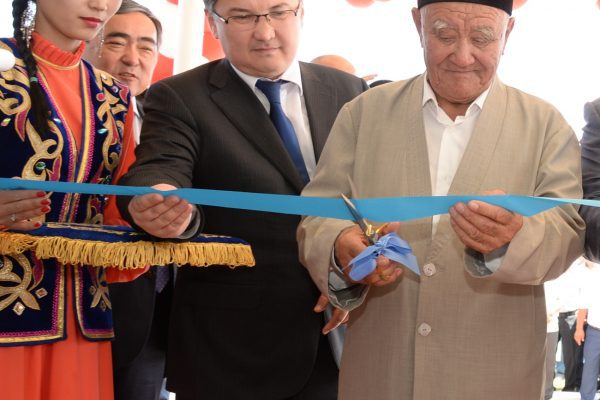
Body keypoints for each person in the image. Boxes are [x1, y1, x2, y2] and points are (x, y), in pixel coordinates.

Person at [297, 0, 585, 399]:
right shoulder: (363, 114)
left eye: (482, 38)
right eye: (444, 34)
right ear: (418, 24)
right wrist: (340, 247)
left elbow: (568, 230)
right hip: (382, 367)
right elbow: (318, 215)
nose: (463, 56)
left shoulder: (545, 125)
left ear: (508, 34)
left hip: (495, 372)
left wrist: (513, 238)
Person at [116, 0, 368, 399]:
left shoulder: (348, 90)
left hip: (343, 339)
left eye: (279, 12)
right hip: (233, 350)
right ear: (212, 22)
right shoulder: (181, 96)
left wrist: (353, 268)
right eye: (243, 16)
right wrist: (162, 204)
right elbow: (160, 169)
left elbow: (373, 190)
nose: (265, 32)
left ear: (301, 12)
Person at [0, 0, 137, 400]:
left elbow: (121, 217)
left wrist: (157, 216)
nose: (101, 4)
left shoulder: (115, 98)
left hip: (80, 327)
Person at [83, 3, 169, 400]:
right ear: (89, 43)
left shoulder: (171, 120)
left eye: (146, 47)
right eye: (116, 43)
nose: (132, 59)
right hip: (80, 302)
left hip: (158, 315)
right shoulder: (60, 119)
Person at [574, 259, 600, 400]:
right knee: (590, 368)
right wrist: (579, 329)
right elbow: (583, 304)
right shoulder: (593, 274)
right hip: (594, 331)